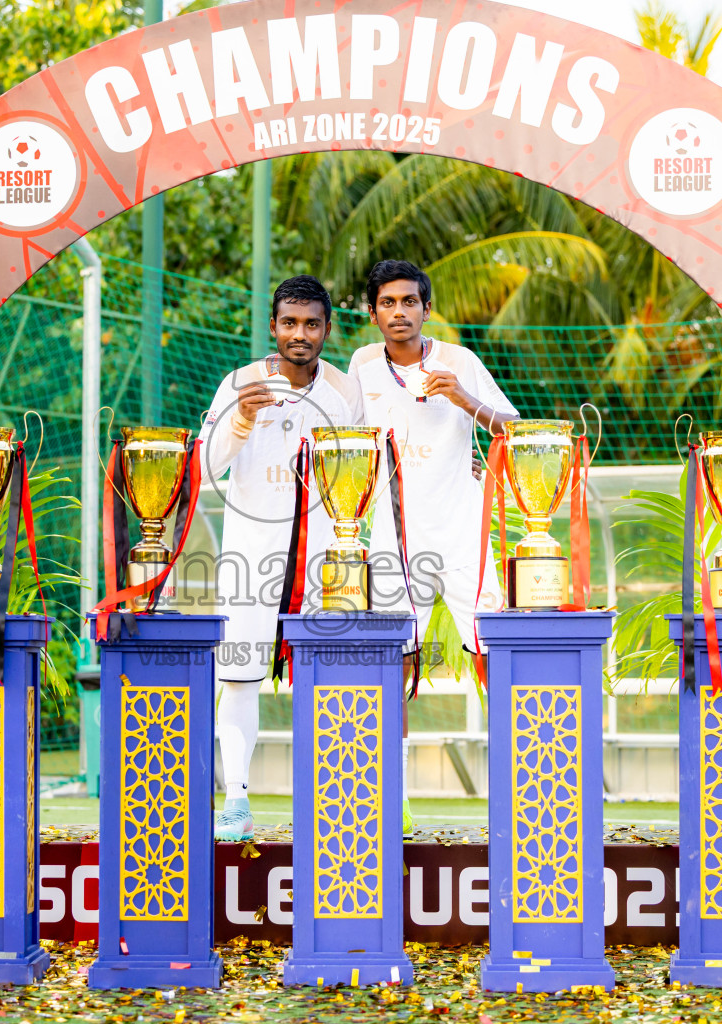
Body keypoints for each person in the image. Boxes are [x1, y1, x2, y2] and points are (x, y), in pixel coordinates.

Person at [348, 259, 518, 833]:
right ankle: (390, 802)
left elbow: (512, 429)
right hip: (392, 531)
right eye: (388, 303)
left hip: (461, 525)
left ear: (426, 307)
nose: (399, 312)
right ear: (372, 313)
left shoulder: (459, 361)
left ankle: (520, 791)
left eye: (409, 302)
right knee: (397, 658)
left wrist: (466, 400)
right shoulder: (362, 367)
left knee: (490, 649)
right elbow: (348, 444)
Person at [201, 274, 363, 841]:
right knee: (239, 677)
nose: (301, 334)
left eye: (311, 324)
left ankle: (331, 801)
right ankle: (236, 800)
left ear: (326, 329)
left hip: (324, 560)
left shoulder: (343, 392)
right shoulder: (240, 383)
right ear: (273, 327)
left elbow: (362, 472)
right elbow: (206, 467)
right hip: (251, 555)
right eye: (289, 323)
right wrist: (241, 420)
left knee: (325, 680)